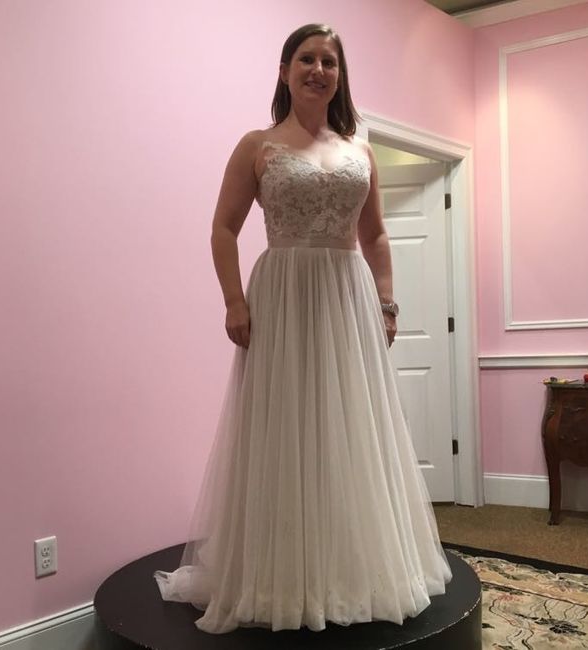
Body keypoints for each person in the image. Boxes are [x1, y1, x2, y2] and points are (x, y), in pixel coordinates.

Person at [154, 23, 452, 634]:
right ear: (285, 70)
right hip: (283, 296)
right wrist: (233, 302)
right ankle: (282, 576)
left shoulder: (360, 150)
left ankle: (352, 569)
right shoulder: (257, 145)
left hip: (347, 297)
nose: (319, 70)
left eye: (330, 62)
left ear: (340, 76)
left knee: (351, 424)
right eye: (307, 59)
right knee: (284, 425)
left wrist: (388, 303)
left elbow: (375, 235)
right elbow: (223, 228)